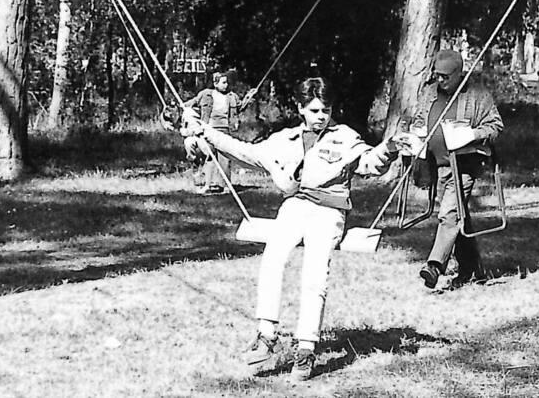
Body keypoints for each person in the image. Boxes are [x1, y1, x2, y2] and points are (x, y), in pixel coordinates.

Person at [180, 77, 397, 381]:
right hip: (294, 207)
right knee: (272, 261)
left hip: (328, 210)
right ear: (300, 109)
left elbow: (370, 164)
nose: (321, 116)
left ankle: (306, 348)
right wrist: (205, 132)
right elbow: (243, 151)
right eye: (314, 110)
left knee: (314, 274)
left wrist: (390, 148)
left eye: (326, 110)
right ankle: (267, 335)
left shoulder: (345, 137)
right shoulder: (284, 140)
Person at [409, 49, 504, 290]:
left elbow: (495, 126)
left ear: (459, 74)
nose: (440, 80)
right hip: (437, 165)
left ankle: (434, 265)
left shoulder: (477, 95)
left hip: (464, 164)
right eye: (437, 75)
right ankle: (473, 269)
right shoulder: (430, 92)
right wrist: (416, 135)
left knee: (449, 213)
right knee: (457, 215)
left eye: (445, 76)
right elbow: (418, 119)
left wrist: (471, 134)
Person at [183, 71, 242, 195]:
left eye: (227, 82)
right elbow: (191, 103)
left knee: (225, 158)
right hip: (209, 129)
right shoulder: (206, 94)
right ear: (216, 83)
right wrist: (181, 106)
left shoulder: (232, 97)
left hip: (225, 129)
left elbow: (240, 107)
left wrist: (249, 97)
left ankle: (225, 186)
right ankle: (209, 184)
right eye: (223, 82)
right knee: (209, 156)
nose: (226, 85)